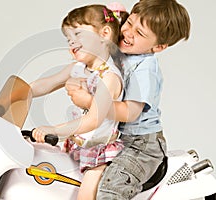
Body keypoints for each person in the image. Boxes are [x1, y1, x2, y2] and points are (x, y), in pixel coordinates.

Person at [66, 0, 191, 199]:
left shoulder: (144, 70)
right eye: (129, 23)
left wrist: (90, 102)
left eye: (140, 33)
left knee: (111, 189)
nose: (128, 32)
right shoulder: (124, 48)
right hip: (114, 137)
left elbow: (129, 113)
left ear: (158, 46)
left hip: (140, 145)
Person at [30, 4, 127, 200]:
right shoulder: (78, 68)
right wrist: (20, 93)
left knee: (85, 194)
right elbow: (48, 83)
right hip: (77, 145)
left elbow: (93, 120)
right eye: (69, 39)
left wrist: (54, 130)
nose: (72, 43)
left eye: (78, 35)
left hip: (100, 154)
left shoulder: (110, 78)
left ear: (105, 34)